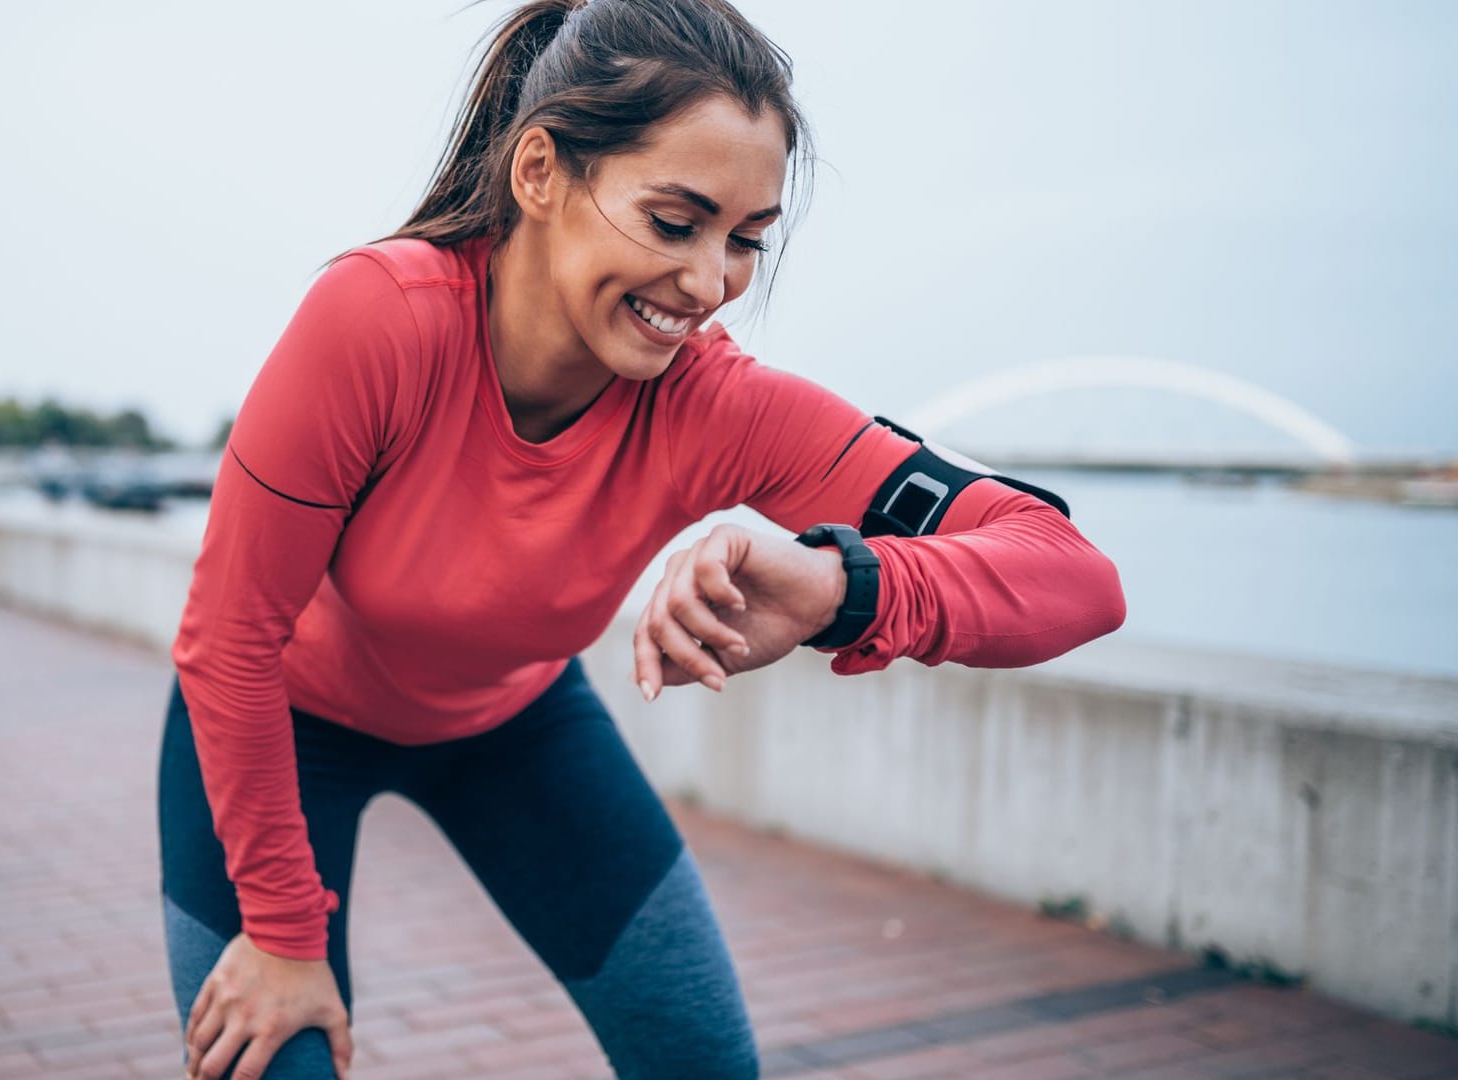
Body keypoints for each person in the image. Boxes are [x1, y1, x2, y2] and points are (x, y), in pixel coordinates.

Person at [160, 2, 1128, 1078]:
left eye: (747, 240)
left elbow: (1073, 575)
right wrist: (288, 935)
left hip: (514, 728)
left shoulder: (719, 407)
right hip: (278, 727)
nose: (711, 284)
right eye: (676, 222)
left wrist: (837, 585)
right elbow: (230, 635)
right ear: (539, 172)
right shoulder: (379, 319)